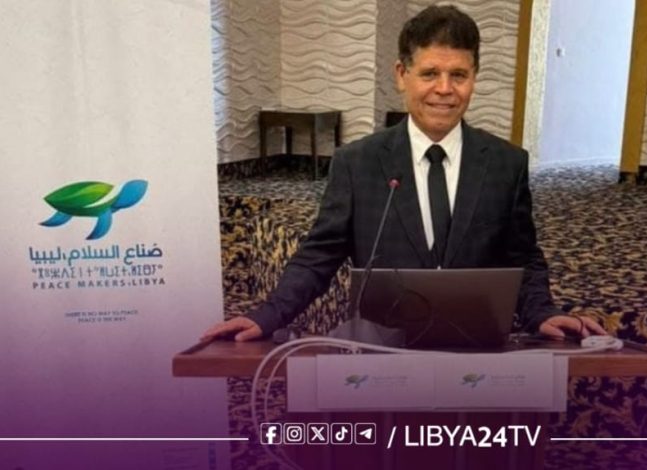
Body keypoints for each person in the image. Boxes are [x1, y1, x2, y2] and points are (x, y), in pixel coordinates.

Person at [202, 5, 606, 343]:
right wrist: (267, 315)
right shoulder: (357, 163)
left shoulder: (506, 164)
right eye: (430, 74)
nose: (444, 89)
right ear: (401, 74)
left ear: (474, 79)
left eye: (459, 75)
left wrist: (542, 312)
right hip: (382, 347)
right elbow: (318, 256)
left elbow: (522, 257)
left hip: (477, 346)